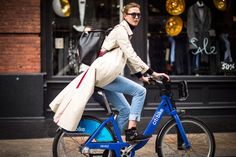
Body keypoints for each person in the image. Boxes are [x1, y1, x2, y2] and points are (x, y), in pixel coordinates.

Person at [96, 2, 170, 142]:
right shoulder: (120, 31)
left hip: (104, 76)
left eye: (138, 15)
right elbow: (131, 55)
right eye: (133, 14)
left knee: (125, 111)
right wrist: (153, 73)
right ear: (125, 15)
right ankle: (132, 132)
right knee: (140, 92)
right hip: (105, 75)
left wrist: (141, 77)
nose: (136, 17)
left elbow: (128, 59)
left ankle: (109, 142)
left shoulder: (125, 32)